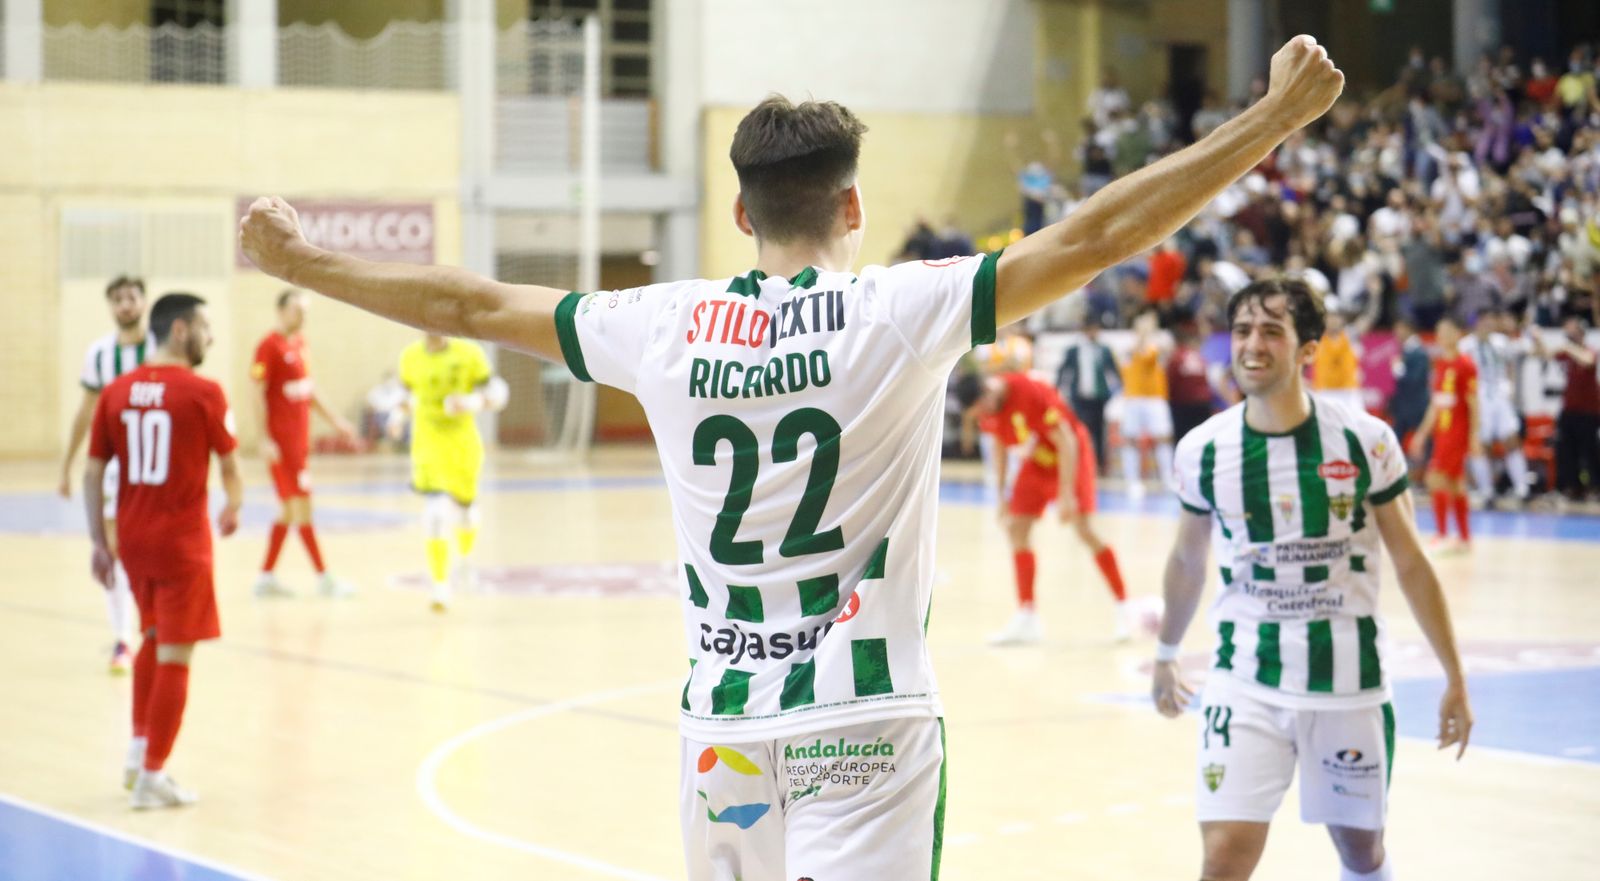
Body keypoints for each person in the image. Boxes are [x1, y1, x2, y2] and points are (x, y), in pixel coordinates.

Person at [241, 36, 1345, 879]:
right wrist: (1273, 117)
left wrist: (299, 256)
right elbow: (1097, 238)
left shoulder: (659, 322)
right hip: (866, 723)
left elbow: (468, 301)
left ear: (738, 210)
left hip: (722, 730)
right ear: (853, 202)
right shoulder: (900, 308)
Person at [1151, 278, 1472, 881]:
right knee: (1222, 858)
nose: (1253, 345)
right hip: (1243, 675)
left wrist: (1455, 675)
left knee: (1360, 852)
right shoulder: (1203, 450)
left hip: (1348, 681)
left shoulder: (1364, 439)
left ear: (1306, 350)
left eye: (1272, 331)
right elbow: (1188, 559)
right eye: (1243, 330)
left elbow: (1411, 563)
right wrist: (1166, 652)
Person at [83, 292, 243, 809]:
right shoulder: (204, 392)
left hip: (132, 542)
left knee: (150, 637)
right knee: (176, 654)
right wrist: (233, 506)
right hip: (181, 546)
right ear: (179, 330)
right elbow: (232, 466)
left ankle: (135, 753)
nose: (210, 337)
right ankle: (153, 776)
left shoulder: (117, 391)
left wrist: (97, 542)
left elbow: (92, 472)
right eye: (204, 327)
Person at [957, 372, 1131, 644]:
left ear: (988, 391)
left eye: (982, 407)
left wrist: (1065, 495)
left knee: (1084, 530)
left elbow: (1067, 441)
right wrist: (1001, 494)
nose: (983, 415)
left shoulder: (1027, 391)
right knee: (1016, 528)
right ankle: (1027, 617)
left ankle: (1123, 607)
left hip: (1071, 453)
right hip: (1038, 460)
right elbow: (1000, 445)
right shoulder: (987, 410)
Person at [58, 275, 153, 674]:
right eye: (118, 299)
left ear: (144, 301)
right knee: (114, 548)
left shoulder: (160, 346)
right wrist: (67, 464)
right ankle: (122, 637)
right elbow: (86, 411)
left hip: (154, 461)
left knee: (152, 548)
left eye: (131, 296)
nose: (125, 304)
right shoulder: (100, 354)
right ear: (111, 307)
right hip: (116, 464)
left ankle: (152, 626)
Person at [250, 289, 357, 598]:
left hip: (299, 445)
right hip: (282, 447)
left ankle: (265, 577)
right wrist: (264, 438)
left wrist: (336, 421)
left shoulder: (300, 344)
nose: (303, 315)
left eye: (306, 310)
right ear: (281, 310)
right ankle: (324, 578)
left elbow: (308, 390)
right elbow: (255, 392)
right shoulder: (268, 346)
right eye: (298, 309)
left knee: (287, 511)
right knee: (302, 509)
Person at [393, 333, 509, 611]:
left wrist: (471, 402)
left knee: (466, 512)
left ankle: (466, 561)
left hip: (462, 441)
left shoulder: (470, 353)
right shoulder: (410, 357)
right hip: (427, 439)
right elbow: (405, 396)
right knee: (434, 511)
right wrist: (396, 417)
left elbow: (498, 393)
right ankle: (440, 585)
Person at [1409, 316, 1479, 549]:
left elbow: (1474, 404)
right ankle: (1464, 538)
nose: (1440, 336)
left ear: (1457, 334)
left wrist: (1474, 436)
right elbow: (1435, 405)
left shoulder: (1466, 365)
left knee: (1434, 478)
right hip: (1442, 432)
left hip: (1457, 432)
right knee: (1455, 483)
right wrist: (1421, 434)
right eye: (1438, 331)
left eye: (1446, 331)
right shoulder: (1440, 364)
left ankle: (1442, 534)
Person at [1459, 309, 1531, 505]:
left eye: (1490, 320)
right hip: (1479, 396)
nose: (1487, 324)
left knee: (1511, 438)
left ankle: (1522, 487)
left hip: (1500, 395)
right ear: (1476, 323)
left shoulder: (1501, 342)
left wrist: (1510, 386)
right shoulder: (1465, 346)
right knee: (1481, 443)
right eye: (1484, 320)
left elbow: (1515, 360)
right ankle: (1486, 491)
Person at [1534, 316, 1600, 502]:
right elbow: (1545, 354)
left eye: (1571, 330)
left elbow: (1587, 361)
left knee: (1589, 451)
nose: (1568, 334)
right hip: (1569, 409)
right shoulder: (1567, 353)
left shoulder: (1589, 350)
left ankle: (1595, 487)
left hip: (1589, 411)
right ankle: (1572, 487)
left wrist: (1568, 348)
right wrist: (1538, 338)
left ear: (1580, 333)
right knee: (1565, 449)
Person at [1118, 309, 1175, 499]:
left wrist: (1150, 334)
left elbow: (1163, 355)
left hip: (1155, 397)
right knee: (1130, 438)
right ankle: (1132, 481)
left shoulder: (1162, 341)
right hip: (1133, 397)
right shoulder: (1128, 342)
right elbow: (1132, 354)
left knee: (1163, 437)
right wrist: (1142, 335)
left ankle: (1168, 479)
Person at [1055, 315, 1120, 469]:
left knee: (1099, 431)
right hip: (1079, 396)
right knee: (1079, 430)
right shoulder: (1074, 350)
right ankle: (1079, 462)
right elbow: (1064, 371)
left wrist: (1115, 391)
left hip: (1099, 397)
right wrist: (1057, 390)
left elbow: (1113, 372)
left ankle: (1099, 464)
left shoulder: (1104, 349)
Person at [1168, 321, 1216, 443]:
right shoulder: (1198, 355)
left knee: (1183, 440)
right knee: (1202, 439)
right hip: (1203, 404)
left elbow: (1170, 382)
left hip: (1184, 406)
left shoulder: (1176, 357)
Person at [1312, 308, 1365, 413]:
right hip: (1325, 392)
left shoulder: (1351, 335)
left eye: (1336, 317)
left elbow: (1369, 318)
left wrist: (1375, 296)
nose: (1333, 320)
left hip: (1348, 392)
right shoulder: (1316, 338)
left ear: (1342, 320)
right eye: (1330, 317)